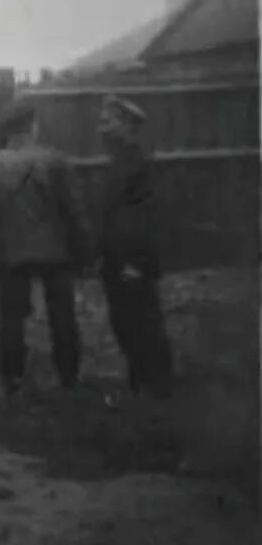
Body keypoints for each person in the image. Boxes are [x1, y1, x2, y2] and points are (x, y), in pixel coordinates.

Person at [0, 99, 94, 396]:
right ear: (32, 127)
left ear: (8, 132)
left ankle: (13, 380)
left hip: (12, 254)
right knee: (62, 316)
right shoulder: (55, 161)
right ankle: (68, 377)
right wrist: (85, 252)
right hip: (56, 252)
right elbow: (75, 212)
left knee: (12, 319)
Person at [95, 94, 173, 399]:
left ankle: (157, 384)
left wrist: (134, 262)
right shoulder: (119, 163)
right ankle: (141, 380)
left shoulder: (136, 164)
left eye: (108, 123)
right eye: (101, 123)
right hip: (117, 260)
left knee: (144, 322)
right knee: (125, 322)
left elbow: (141, 218)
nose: (102, 130)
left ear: (127, 126)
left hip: (132, 261)